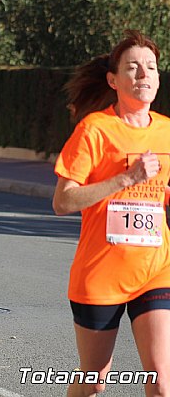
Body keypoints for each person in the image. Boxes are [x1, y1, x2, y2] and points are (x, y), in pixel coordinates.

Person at [53, 30, 170, 396]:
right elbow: (63, 202)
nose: (143, 75)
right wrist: (127, 178)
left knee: (161, 379)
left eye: (150, 67)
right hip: (100, 273)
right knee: (94, 380)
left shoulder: (167, 131)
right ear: (113, 79)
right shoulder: (94, 130)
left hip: (154, 269)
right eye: (133, 68)